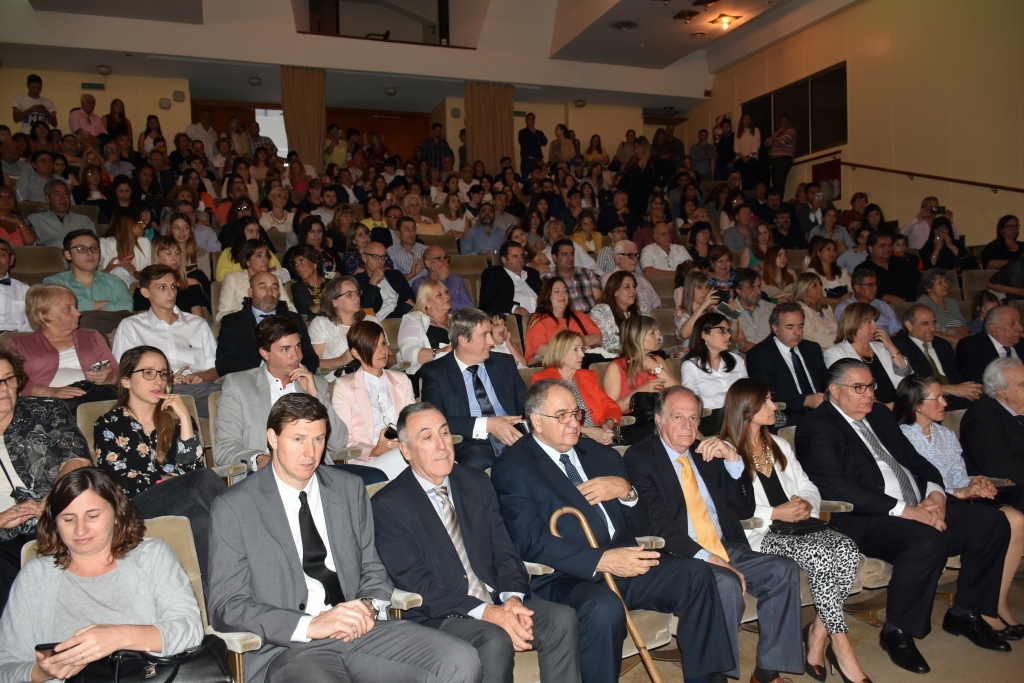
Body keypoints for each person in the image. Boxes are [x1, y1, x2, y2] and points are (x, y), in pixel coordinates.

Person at [208, 393, 480, 683]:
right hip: (290, 648)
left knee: (460, 660)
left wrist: (366, 607)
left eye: (318, 439)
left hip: (360, 633)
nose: (310, 453)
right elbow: (228, 605)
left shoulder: (348, 489)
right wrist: (310, 625)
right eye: (298, 439)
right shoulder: (234, 507)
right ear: (273, 439)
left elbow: (372, 570)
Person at [492, 379, 734, 683]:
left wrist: (626, 491)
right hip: (566, 576)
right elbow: (529, 542)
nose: (573, 423)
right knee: (604, 608)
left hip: (624, 561)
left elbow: (644, 524)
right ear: (536, 422)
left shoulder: (600, 455)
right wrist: (602, 561)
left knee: (697, 574)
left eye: (576, 414)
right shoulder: (514, 466)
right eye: (562, 415)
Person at [797, 359, 1012, 674]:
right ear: (834, 390)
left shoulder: (881, 415)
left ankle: (967, 612)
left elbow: (914, 461)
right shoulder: (816, 426)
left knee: (991, 522)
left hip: (918, 502)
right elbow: (835, 485)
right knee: (926, 541)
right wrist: (905, 510)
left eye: (871, 386)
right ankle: (897, 631)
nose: (869, 394)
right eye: (859, 387)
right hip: (868, 517)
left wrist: (936, 494)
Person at [372, 401, 582, 683]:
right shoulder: (387, 505)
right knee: (494, 639)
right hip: (441, 614)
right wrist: (488, 613)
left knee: (561, 620)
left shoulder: (475, 482)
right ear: (406, 450)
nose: (442, 445)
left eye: (445, 433)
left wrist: (512, 600)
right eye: (427, 437)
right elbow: (415, 581)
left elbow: (503, 549)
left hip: (495, 597)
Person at [623, 384, 803, 683]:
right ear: (659, 419)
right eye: (678, 417)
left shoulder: (707, 451)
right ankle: (717, 674)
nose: (688, 426)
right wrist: (708, 557)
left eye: (693, 418)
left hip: (723, 545)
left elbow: (743, 509)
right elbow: (657, 526)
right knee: (727, 583)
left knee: (783, 570)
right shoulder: (640, 458)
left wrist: (733, 461)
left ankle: (767, 671)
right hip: (682, 554)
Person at [720, 379, 868, 681]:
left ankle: (817, 633)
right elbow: (726, 511)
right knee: (823, 556)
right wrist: (776, 512)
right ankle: (840, 646)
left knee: (848, 551)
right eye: (766, 403)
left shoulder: (780, 444)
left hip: (803, 526)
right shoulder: (726, 452)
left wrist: (804, 504)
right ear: (747, 409)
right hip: (764, 534)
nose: (774, 407)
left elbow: (808, 486)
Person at [0, 468, 205, 682]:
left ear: (117, 514)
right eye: (68, 519)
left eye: (92, 516)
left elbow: (189, 630)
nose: (80, 530)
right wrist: (40, 672)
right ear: (54, 523)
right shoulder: (36, 576)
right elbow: (5, 663)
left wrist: (117, 637)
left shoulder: (151, 556)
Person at [897, 372, 1024, 639]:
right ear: (916, 404)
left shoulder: (946, 435)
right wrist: (960, 491)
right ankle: (975, 610)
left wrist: (974, 485)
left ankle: (992, 604)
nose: (945, 402)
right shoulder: (900, 438)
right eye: (938, 398)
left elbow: (957, 478)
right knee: (1000, 521)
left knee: (1014, 517)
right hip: (925, 506)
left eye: (944, 396)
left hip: (957, 502)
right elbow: (913, 485)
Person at [94, 345, 224, 576]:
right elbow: (118, 480)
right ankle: (243, 526)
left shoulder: (174, 418)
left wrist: (184, 417)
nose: (158, 381)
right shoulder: (108, 424)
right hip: (135, 507)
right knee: (203, 479)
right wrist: (164, 480)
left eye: (163, 373)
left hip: (180, 503)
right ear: (125, 381)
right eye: (148, 373)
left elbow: (192, 468)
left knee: (200, 520)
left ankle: (214, 605)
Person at [0, 344, 91, 612]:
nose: (3, 389)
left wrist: (53, 497)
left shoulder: (46, 409)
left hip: (58, 514)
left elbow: (77, 457)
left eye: (8, 379)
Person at [420, 308, 527, 471]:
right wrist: (488, 425)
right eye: (485, 335)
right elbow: (434, 420)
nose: (491, 342)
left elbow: (526, 404)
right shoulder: (436, 372)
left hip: (514, 433)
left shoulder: (504, 363)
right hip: (473, 443)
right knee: (477, 461)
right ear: (463, 340)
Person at [111, 265, 220, 416]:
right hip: (155, 391)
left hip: (198, 391)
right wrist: (165, 379)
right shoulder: (131, 326)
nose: (171, 293)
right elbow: (124, 373)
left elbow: (216, 370)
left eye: (173, 286)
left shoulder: (198, 324)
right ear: (145, 292)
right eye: (162, 287)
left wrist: (200, 376)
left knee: (231, 398)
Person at [331, 320, 413, 480]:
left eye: (383, 343)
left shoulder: (402, 380)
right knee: (411, 458)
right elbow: (344, 440)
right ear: (356, 353)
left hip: (404, 449)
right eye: (373, 346)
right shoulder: (344, 386)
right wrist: (376, 449)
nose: (382, 350)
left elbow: (413, 423)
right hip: (369, 461)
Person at [12, 283, 118, 407]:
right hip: (46, 407)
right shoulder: (19, 344)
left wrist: (111, 378)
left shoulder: (92, 337)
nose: (78, 313)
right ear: (43, 315)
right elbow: (12, 382)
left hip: (93, 401)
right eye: (68, 308)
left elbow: (118, 372)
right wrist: (51, 392)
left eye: (75, 307)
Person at [215, 271, 319, 376]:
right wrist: (263, 375)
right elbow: (224, 364)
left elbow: (310, 357)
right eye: (263, 287)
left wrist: (299, 373)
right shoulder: (233, 322)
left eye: (274, 288)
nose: (269, 292)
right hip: (250, 382)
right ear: (250, 293)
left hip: (291, 379)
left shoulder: (294, 319)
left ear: (279, 293)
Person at [532, 330, 622, 444]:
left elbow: (611, 407)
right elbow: (550, 420)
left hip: (600, 435)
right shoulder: (543, 379)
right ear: (560, 351)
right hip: (570, 439)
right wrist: (588, 431)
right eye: (576, 349)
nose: (582, 354)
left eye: (582, 349)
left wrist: (607, 425)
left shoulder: (589, 376)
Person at [746, 302, 827, 428]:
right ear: (775, 328)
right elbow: (767, 394)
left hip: (823, 411)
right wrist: (805, 400)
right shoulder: (759, 355)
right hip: (788, 417)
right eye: (790, 327)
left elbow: (825, 380)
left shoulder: (812, 348)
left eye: (800, 326)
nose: (797, 333)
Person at [960, 357, 1024, 514]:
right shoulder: (982, 415)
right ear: (1001, 391)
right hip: (1008, 492)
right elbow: (995, 463)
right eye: (1023, 385)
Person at [891, 304, 982, 410]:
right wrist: (950, 389)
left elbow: (955, 374)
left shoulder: (942, 345)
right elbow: (911, 384)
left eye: (934, 322)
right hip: (925, 403)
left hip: (956, 400)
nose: (933, 328)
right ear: (909, 325)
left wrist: (970, 389)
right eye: (926, 323)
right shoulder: (898, 347)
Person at [826, 301, 910, 406]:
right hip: (870, 410)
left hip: (899, 405)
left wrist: (890, 345)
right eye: (869, 322)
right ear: (854, 323)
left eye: (874, 321)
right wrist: (887, 408)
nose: (876, 326)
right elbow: (848, 392)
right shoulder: (835, 353)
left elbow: (906, 376)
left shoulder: (881, 347)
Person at [681, 312, 748, 434]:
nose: (728, 336)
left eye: (729, 331)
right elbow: (693, 401)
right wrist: (729, 399)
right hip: (712, 422)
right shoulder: (691, 366)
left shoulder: (736, 360)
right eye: (722, 330)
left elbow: (747, 394)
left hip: (741, 417)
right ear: (704, 334)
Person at [308, 275, 382, 373]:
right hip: (335, 383)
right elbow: (314, 365)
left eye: (357, 293)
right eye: (349, 294)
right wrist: (343, 359)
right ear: (334, 302)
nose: (356, 297)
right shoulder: (320, 323)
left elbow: (391, 358)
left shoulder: (371, 321)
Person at [525, 276, 602, 365]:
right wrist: (571, 346)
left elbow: (597, 338)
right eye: (557, 291)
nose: (563, 294)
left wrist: (577, 346)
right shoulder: (539, 320)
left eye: (565, 291)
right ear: (547, 296)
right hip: (553, 364)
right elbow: (538, 350)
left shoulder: (579, 316)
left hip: (584, 360)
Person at [955, 305, 1024, 384]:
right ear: (994, 328)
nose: (1021, 328)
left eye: (1019, 322)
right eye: (1012, 324)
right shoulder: (971, 345)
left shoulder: (1021, 343)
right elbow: (977, 379)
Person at [398, 279, 452, 376]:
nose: (446, 296)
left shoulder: (456, 320)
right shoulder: (414, 319)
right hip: (429, 374)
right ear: (427, 303)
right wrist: (440, 352)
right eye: (439, 295)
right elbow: (408, 353)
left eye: (446, 292)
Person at [589, 271, 650, 355]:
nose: (633, 290)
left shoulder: (642, 308)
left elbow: (658, 338)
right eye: (627, 287)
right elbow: (605, 343)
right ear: (615, 292)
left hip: (643, 356)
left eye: (634, 286)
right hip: (614, 359)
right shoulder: (600, 311)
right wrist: (640, 342)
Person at [353, 241, 415, 320]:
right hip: (379, 321)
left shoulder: (396, 275)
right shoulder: (356, 281)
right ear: (364, 258)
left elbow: (410, 298)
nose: (380, 261)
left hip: (404, 316)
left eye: (383, 257)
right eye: (375, 256)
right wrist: (373, 282)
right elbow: (364, 310)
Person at [479, 241, 541, 317]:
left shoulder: (532, 274)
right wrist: (514, 308)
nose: (520, 259)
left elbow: (545, 295)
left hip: (542, 316)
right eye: (515, 256)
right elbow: (488, 300)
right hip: (514, 321)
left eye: (521, 255)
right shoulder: (494, 274)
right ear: (504, 260)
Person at [27, 179, 95, 247]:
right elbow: (32, 248)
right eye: (57, 194)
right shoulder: (36, 219)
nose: (63, 198)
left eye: (66, 194)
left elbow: (93, 245)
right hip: (49, 256)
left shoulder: (83, 220)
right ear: (47, 198)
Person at [541, 238, 602, 314]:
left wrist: (595, 314)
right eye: (564, 254)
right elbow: (548, 305)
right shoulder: (547, 278)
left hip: (593, 317)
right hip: (569, 318)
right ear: (554, 258)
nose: (570, 257)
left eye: (572, 253)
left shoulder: (588, 273)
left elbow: (599, 298)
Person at [834, 269, 902, 336]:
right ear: (857, 288)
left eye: (876, 284)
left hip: (889, 342)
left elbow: (897, 329)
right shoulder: (845, 307)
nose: (875, 288)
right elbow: (850, 334)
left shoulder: (883, 305)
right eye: (870, 285)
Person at [860, 232, 920, 303]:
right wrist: (887, 298)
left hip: (913, 306)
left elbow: (920, 279)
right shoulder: (863, 269)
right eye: (882, 246)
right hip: (881, 309)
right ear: (871, 249)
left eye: (890, 245)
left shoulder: (901, 262)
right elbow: (864, 293)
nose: (887, 249)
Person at [916, 268, 968, 342]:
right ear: (928, 287)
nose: (945, 285)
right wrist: (952, 339)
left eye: (946, 281)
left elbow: (965, 325)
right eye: (939, 282)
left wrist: (964, 329)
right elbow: (924, 329)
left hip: (961, 338)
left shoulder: (952, 302)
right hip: (941, 340)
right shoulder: (923, 303)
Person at [792, 272, 839, 350]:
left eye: (820, 284)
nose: (820, 287)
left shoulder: (826, 308)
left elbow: (837, 330)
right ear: (804, 288)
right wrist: (842, 344)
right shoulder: (799, 308)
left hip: (839, 347)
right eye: (815, 285)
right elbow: (811, 336)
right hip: (821, 350)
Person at [733, 268, 775, 349]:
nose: (758, 291)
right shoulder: (729, 312)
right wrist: (768, 353)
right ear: (739, 291)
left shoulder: (772, 309)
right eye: (752, 287)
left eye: (759, 286)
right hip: (746, 358)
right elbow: (741, 345)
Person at [0, 239, 30, 332]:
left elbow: (32, 322)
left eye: (2, 255)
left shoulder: (24, 290)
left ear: (11, 260)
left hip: (17, 341)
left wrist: (18, 335)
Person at [764, 115, 796, 191]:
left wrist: (773, 141)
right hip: (775, 160)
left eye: (785, 122)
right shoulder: (777, 134)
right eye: (781, 122)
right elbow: (766, 143)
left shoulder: (791, 131)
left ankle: (779, 201)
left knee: (780, 183)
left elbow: (783, 142)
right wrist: (777, 133)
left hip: (784, 159)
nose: (783, 124)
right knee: (775, 184)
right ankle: (776, 200)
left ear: (789, 123)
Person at [518, 113, 548, 178]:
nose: (531, 120)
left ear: (534, 121)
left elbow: (544, 142)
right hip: (526, 160)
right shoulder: (522, 132)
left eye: (533, 118)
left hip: (538, 160)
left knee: (540, 179)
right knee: (526, 179)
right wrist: (537, 142)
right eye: (529, 118)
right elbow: (524, 144)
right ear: (525, 121)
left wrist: (534, 131)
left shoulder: (539, 132)